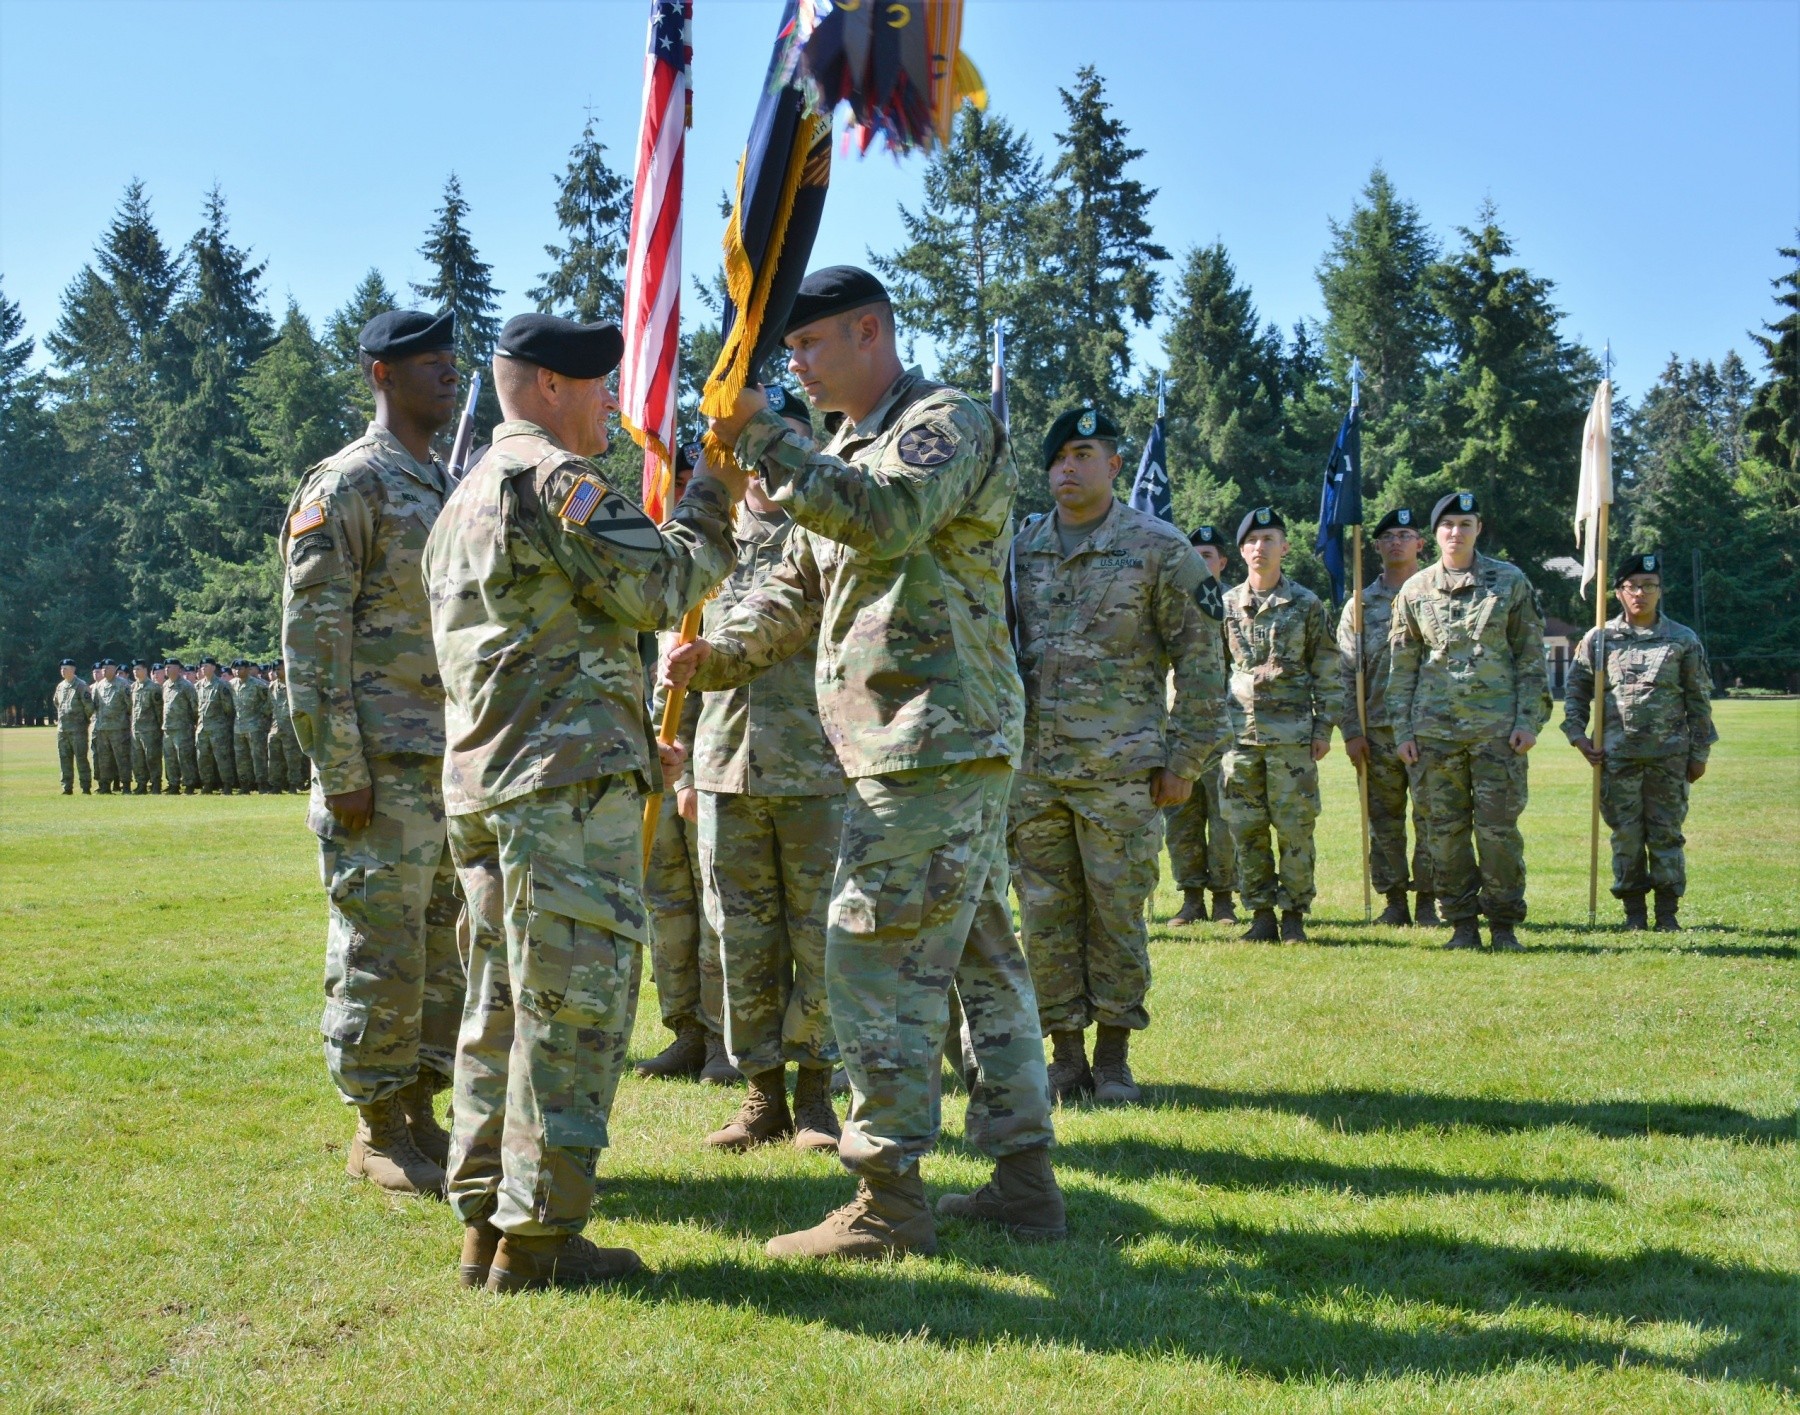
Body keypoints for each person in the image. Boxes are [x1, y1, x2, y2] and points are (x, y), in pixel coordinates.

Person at [671, 264, 1063, 1260]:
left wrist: (762, 430)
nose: (794, 364)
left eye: (806, 346)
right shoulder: (842, 450)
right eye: (788, 351)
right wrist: (722, 651)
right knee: (980, 958)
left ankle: (888, 1198)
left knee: (868, 951)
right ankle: (1024, 1182)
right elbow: (797, 586)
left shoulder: (945, 422)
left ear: (871, 332)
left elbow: (884, 517)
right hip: (900, 745)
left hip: (936, 736)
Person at [425, 312, 741, 1292]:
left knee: (502, 1007)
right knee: (572, 1011)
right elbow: (661, 583)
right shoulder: (556, 482)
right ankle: (543, 1240)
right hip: (556, 792)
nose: (617, 400)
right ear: (552, 386)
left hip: (491, 787)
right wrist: (712, 494)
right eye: (602, 384)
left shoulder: (464, 495)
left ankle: (487, 1224)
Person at [280, 308, 467, 1199]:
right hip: (380, 772)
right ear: (380, 375)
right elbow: (312, 642)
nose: (449, 373)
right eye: (428, 362)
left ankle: (422, 1108)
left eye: (452, 360)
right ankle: (377, 1126)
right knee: (379, 946)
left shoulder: (442, 484)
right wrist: (342, 767)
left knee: (441, 950)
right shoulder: (348, 483)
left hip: (447, 765)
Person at [1007, 406, 1228, 1106]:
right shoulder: (1020, 548)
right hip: (1035, 773)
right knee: (1043, 916)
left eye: (1082, 453)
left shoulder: (1159, 547)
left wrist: (1185, 760)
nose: (1067, 468)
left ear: (1113, 465)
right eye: (1057, 458)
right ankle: (1064, 1056)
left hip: (1123, 772)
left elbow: (1202, 660)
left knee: (1116, 914)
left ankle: (1114, 1057)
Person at [679, 398, 849, 1154]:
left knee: (817, 939)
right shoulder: (707, 547)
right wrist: (680, 759)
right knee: (740, 940)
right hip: (722, 768)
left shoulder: (830, 536)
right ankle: (760, 1095)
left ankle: (816, 1095)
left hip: (818, 769)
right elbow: (677, 653)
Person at [1388, 491, 1550, 951]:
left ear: (1479, 529)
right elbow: (1401, 669)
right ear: (1434, 534)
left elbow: (1531, 660)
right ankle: (1460, 924)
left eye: (1465, 524)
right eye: (1448, 525)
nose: (1456, 532)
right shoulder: (1415, 590)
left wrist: (1528, 722)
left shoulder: (1509, 582)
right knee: (1445, 835)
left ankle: (1503, 925)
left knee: (1498, 832)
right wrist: (1402, 731)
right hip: (1434, 736)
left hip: (1498, 734)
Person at [636, 439, 736, 1088]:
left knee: (712, 906)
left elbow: (720, 673)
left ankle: (727, 1039)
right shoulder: (650, 558)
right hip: (655, 750)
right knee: (665, 901)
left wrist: (695, 772)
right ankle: (686, 1032)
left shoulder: (722, 560)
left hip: (702, 756)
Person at [1562, 553, 1716, 931]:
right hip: (1616, 760)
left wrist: (1699, 754)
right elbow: (1576, 692)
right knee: (1626, 838)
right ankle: (1634, 914)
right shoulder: (1599, 640)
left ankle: (1667, 914)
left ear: (1660, 591)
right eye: (1633, 586)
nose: (1641, 593)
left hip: (1669, 759)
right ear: (1618, 592)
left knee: (1666, 837)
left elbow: (1698, 701)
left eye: (1650, 586)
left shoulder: (1682, 639)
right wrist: (1578, 737)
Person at [1219, 508, 1338, 943]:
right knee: (1245, 828)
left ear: (1284, 547)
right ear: (1241, 550)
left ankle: (1294, 915)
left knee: (1295, 828)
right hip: (1239, 738)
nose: (1259, 548)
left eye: (1269, 539)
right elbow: (1212, 668)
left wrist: (1324, 728)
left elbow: (1327, 668)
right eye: (1251, 540)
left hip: (1292, 738)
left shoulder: (1306, 603)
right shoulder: (1226, 604)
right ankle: (1261, 913)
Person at [1338, 508, 1437, 926]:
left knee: (1433, 815)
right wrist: (1350, 731)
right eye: (1388, 536)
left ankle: (1429, 901)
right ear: (1375, 546)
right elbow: (1344, 672)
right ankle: (1394, 901)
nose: (1396, 542)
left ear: (1420, 544)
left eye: (1405, 534)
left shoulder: (1437, 596)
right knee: (1384, 820)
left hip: (1430, 725)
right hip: (1377, 729)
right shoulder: (1359, 605)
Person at [1167, 524, 1238, 925]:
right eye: (1191, 555)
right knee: (1182, 818)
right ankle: (1190, 896)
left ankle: (1224, 897)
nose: (1198, 562)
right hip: (1175, 726)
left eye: (1206, 556)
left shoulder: (1231, 605)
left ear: (1222, 562)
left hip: (1222, 729)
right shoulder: (1170, 601)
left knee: (1222, 815)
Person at [228, 659, 274, 794]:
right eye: (235, 669)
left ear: (247, 670)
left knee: (258, 757)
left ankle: (262, 785)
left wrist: (262, 715)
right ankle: (245, 785)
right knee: (241, 758)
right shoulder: (231, 685)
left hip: (255, 726)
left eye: (240, 668)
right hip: (238, 727)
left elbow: (270, 700)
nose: (237, 671)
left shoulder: (258, 685)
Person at [193, 657, 238, 794]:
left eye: (206, 666)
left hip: (218, 728)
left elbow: (228, 708)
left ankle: (227, 785)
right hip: (202, 728)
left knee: (222, 757)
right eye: (202, 666)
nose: (203, 668)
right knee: (203, 758)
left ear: (213, 668)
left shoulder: (222, 685)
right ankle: (207, 784)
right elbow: (196, 707)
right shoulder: (198, 685)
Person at [88, 660, 132, 795]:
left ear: (114, 669)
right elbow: (94, 706)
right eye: (103, 669)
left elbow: (130, 705)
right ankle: (105, 785)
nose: (104, 671)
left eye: (107, 668)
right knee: (104, 758)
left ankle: (125, 785)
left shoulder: (123, 685)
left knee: (122, 758)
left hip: (119, 729)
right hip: (102, 729)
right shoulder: (97, 686)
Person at [266, 660, 308, 793]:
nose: (277, 672)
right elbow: (269, 707)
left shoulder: (293, 686)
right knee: (274, 759)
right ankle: (276, 785)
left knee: (292, 759)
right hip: (275, 727)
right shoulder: (272, 686)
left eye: (280, 669)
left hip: (290, 727)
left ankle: (293, 785)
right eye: (275, 670)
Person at [53, 659, 93, 794]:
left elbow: (89, 707)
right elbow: (57, 703)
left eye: (66, 668)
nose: (63, 671)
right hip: (63, 730)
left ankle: (86, 787)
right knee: (64, 759)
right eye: (61, 669)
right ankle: (67, 787)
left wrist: (82, 721)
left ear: (73, 670)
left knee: (81, 758)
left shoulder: (81, 686)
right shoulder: (60, 686)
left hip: (78, 730)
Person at [161, 658, 200, 794]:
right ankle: (173, 784)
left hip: (182, 728)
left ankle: (189, 784)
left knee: (184, 757)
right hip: (168, 728)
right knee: (170, 758)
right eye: (166, 667)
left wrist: (193, 723)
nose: (167, 669)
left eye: (170, 667)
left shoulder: (186, 686)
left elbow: (195, 707)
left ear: (179, 669)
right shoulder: (165, 685)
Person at [128, 660, 164, 794]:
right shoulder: (133, 687)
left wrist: (159, 729)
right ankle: (141, 784)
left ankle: (155, 784)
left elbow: (159, 710)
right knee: (138, 759)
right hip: (136, 730)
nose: (135, 672)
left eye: (138, 669)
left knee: (152, 758)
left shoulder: (153, 688)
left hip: (150, 730)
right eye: (134, 670)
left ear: (145, 670)